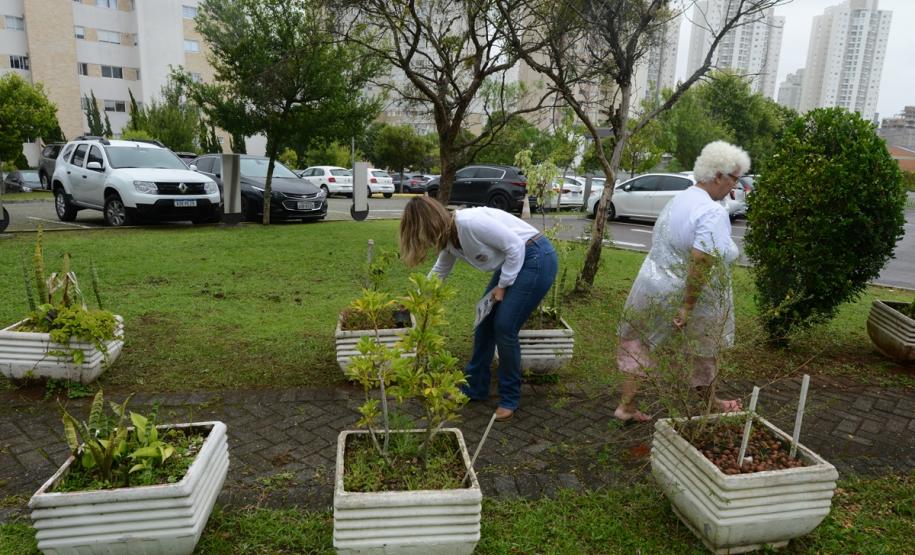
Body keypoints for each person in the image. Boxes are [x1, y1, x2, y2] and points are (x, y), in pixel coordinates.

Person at [615, 140, 749, 422]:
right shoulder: (712, 212)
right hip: (686, 293)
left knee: (639, 343)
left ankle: (625, 406)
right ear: (718, 176)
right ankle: (709, 403)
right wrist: (687, 306)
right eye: (735, 178)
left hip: (652, 284)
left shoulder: (681, 198)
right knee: (703, 350)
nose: (736, 185)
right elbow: (701, 260)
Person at [399, 196, 558, 422]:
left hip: (536, 257)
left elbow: (514, 246)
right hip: (514, 262)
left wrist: (502, 287)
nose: (422, 240)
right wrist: (413, 300)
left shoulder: (470, 223)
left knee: (504, 326)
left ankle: (510, 398)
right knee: (484, 322)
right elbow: (439, 272)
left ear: (428, 224)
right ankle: (475, 387)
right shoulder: (450, 239)